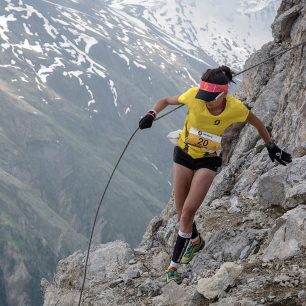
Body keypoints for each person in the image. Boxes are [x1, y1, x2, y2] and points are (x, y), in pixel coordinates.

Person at [138, 66, 292, 283]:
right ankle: (196, 241)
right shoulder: (193, 96)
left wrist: (271, 146)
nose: (206, 101)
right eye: (204, 96)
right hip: (183, 154)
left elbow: (257, 123)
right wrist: (151, 114)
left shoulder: (235, 108)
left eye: (211, 98)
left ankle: (173, 266)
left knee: (187, 213)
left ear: (223, 95)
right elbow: (165, 100)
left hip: (208, 161)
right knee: (181, 210)